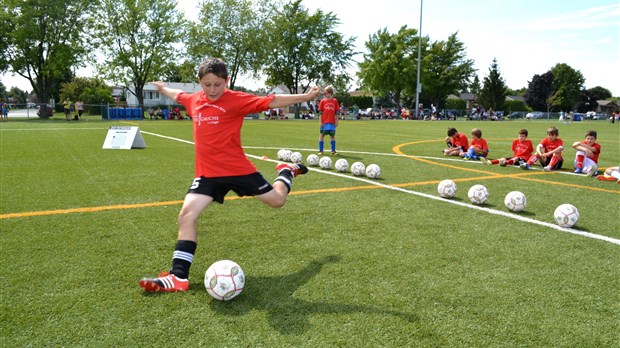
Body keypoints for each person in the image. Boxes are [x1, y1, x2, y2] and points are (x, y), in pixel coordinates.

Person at [138, 58, 320, 292]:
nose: (212, 90)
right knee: (186, 216)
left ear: (227, 81)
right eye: (206, 85)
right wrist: (163, 88)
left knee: (277, 201)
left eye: (217, 84)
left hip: (237, 169)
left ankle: (287, 171)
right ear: (199, 83)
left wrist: (304, 97)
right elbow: (178, 95)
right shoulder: (194, 100)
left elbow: (271, 100)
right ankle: (178, 277)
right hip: (207, 174)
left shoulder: (236, 99)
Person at [317, 86, 340, 155]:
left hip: (332, 123)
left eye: (327, 93)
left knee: (332, 136)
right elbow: (320, 113)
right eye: (325, 94)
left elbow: (337, 112)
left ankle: (333, 151)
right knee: (321, 135)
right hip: (324, 123)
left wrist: (337, 121)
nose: (326, 95)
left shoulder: (335, 101)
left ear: (331, 93)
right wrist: (320, 122)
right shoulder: (322, 101)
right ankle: (321, 151)